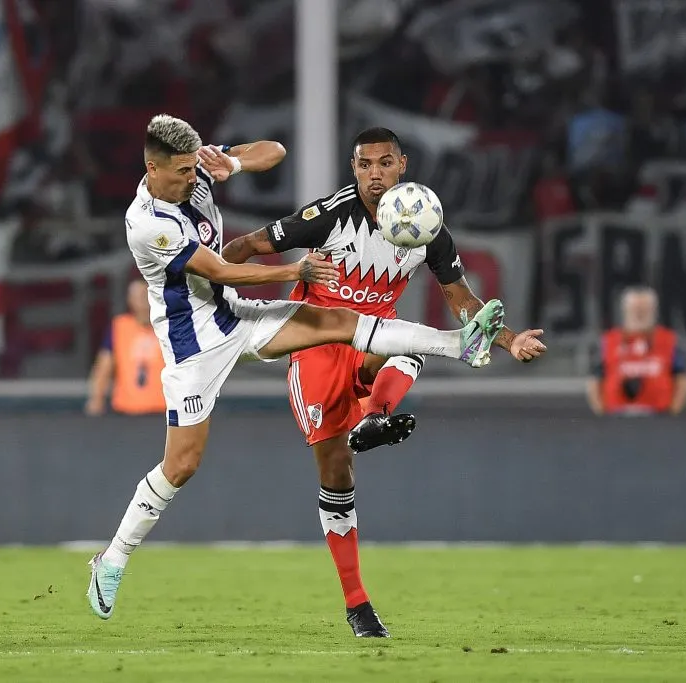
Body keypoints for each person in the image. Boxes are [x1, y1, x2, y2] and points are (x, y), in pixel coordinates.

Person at [86, 115, 509, 630]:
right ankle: (112, 558)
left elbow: (275, 150)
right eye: (181, 173)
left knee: (341, 321)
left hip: (237, 316)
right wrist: (294, 270)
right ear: (152, 169)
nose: (191, 179)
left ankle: (459, 345)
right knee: (182, 465)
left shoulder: (195, 168)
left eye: (194, 168)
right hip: (192, 344)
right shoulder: (147, 223)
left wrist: (232, 163)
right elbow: (220, 269)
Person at [221, 127, 547, 637]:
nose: (375, 173)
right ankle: (357, 603)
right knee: (336, 472)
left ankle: (376, 415)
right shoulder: (330, 215)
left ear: (403, 165)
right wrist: (211, 300)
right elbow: (244, 245)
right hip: (315, 342)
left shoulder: (427, 224)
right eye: (365, 164)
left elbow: (462, 300)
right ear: (354, 169)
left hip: (375, 338)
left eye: (385, 163)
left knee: (409, 341)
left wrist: (508, 340)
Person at [587, 286, 686, 416]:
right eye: (635, 309)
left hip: (659, 415)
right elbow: (595, 380)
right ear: (625, 310)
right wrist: (600, 412)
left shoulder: (670, 341)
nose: (639, 314)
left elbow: (681, 379)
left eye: (645, 309)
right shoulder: (607, 341)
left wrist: (674, 411)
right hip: (616, 415)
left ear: (654, 311)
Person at [85, 279, 165, 416]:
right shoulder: (119, 326)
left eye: (146, 295)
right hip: (126, 410)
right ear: (130, 300)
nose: (143, 301)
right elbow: (104, 366)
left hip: (164, 410)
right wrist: (96, 399)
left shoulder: (168, 326)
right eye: (138, 297)